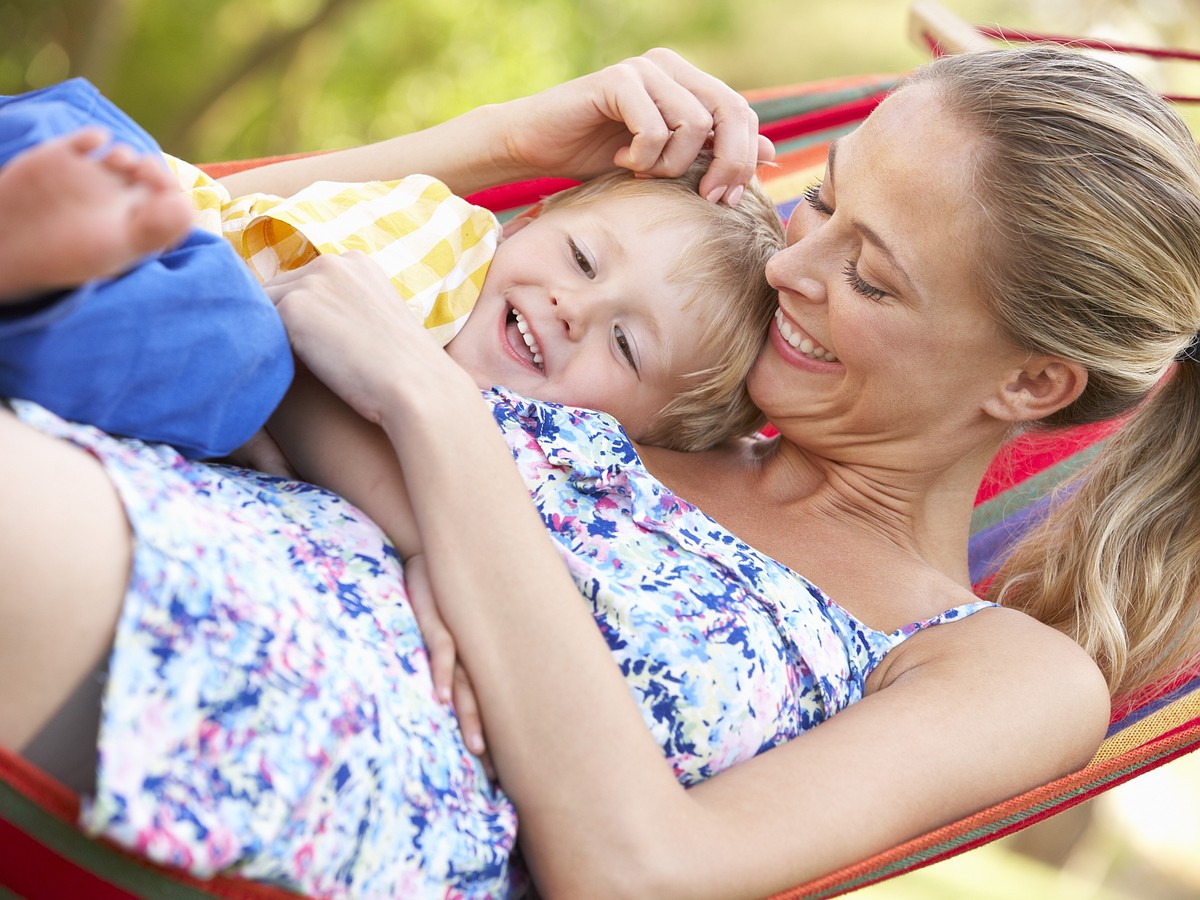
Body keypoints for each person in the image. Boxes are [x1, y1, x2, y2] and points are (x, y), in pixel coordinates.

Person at [2, 45, 1199, 900]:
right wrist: (497, 143)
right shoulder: (659, 381)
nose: (792, 268)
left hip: (254, 697)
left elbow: (641, 871)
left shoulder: (999, 670)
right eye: (821, 202)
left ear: (1032, 387)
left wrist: (433, 429)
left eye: (872, 277)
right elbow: (210, 263)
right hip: (144, 495)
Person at [0, 77, 783, 461]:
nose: (573, 306)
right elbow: (230, 215)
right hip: (166, 233)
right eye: (581, 258)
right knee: (243, 351)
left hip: (155, 273)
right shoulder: (445, 234)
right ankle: (41, 239)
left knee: (240, 357)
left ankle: (36, 253)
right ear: (530, 220)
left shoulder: (504, 445)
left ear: (637, 438)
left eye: (626, 346)